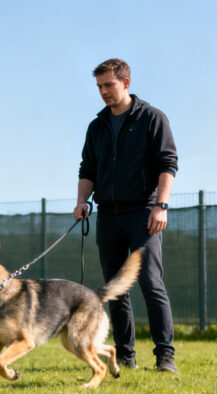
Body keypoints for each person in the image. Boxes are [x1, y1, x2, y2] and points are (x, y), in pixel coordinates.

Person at [73, 58, 178, 372]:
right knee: (116, 288)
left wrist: (161, 206)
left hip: (144, 213)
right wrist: (82, 201)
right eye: (100, 87)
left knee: (150, 282)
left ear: (126, 83)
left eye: (109, 85)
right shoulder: (97, 126)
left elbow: (167, 164)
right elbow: (87, 169)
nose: (104, 92)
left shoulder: (152, 118)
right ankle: (125, 355)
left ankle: (165, 357)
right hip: (108, 216)